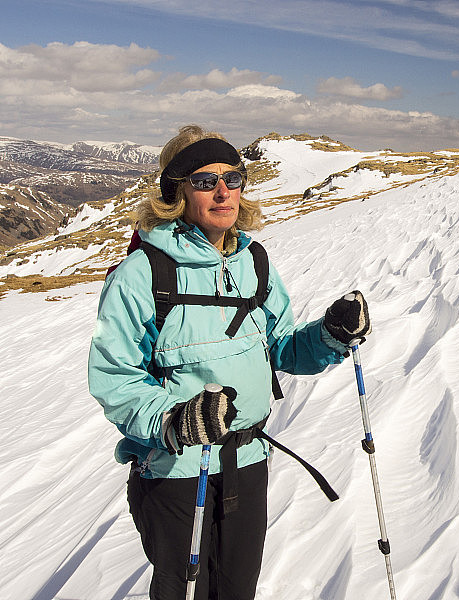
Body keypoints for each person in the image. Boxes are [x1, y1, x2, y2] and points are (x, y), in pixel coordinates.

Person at [88, 124, 371, 600]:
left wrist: (330, 335)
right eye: (204, 181)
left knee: (237, 590)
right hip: (177, 469)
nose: (223, 191)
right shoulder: (141, 275)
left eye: (233, 177)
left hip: (248, 460)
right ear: (177, 192)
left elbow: (281, 347)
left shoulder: (254, 262)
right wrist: (176, 419)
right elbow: (115, 378)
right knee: (181, 592)